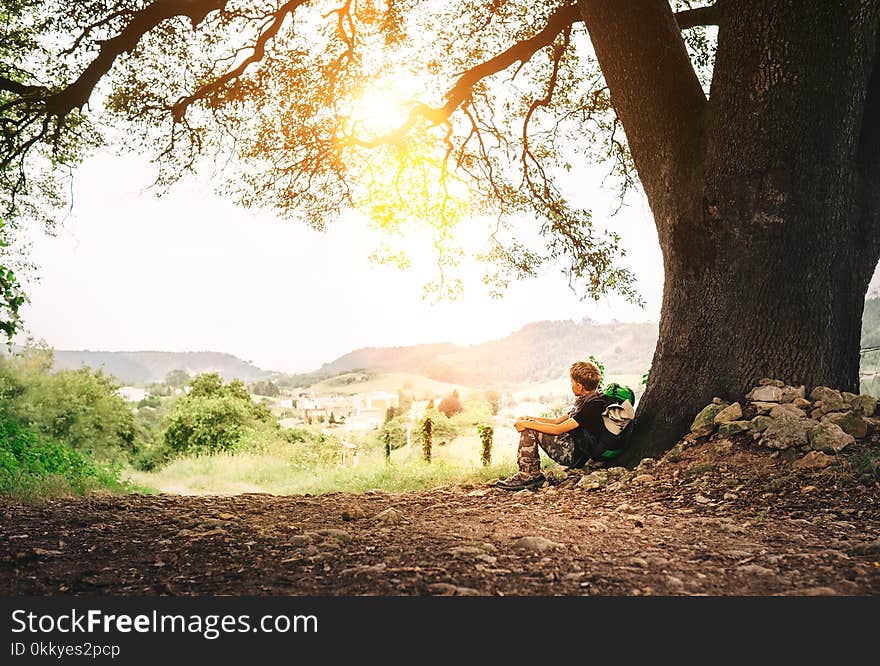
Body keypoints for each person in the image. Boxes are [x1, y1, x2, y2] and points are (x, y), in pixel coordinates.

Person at [497, 360, 622, 491]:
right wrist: (530, 418)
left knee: (529, 429)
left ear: (579, 386)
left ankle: (528, 476)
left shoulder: (592, 406)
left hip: (574, 454)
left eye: (572, 383)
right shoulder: (588, 400)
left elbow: (558, 429)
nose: (571, 385)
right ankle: (531, 474)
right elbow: (557, 421)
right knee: (530, 425)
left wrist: (527, 424)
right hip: (575, 448)